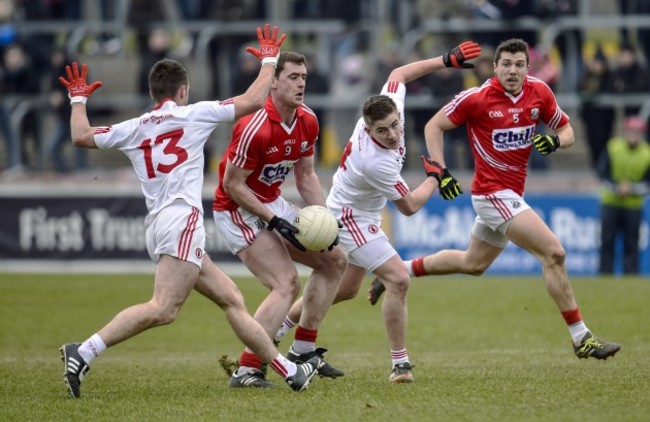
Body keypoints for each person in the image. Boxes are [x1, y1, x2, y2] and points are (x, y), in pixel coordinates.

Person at [58, 24, 321, 398]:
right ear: (183, 91)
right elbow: (251, 100)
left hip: (159, 223)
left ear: (153, 94)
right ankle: (83, 351)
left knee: (232, 300)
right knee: (164, 308)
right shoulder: (193, 114)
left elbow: (80, 136)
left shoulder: (133, 127)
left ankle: (289, 370)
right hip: (182, 219)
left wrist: (78, 100)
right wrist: (268, 60)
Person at [368, 38, 621, 361]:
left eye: (519, 65)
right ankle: (581, 337)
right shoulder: (477, 98)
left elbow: (568, 131)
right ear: (496, 66)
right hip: (491, 194)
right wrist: (440, 170)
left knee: (472, 264)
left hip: (512, 194)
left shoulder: (540, 92)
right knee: (554, 252)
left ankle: (395, 271)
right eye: (507, 64)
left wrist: (556, 141)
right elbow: (434, 126)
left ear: (527, 68)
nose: (512, 70)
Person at [273, 41, 482, 383]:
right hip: (350, 218)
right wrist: (436, 177)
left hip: (359, 211)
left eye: (394, 126)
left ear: (398, 116)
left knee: (343, 290)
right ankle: (400, 364)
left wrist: (446, 60)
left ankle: (280, 333)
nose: (391, 135)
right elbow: (411, 206)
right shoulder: (376, 161)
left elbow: (398, 73)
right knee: (398, 278)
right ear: (368, 130)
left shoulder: (388, 106)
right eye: (381, 131)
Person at [212, 51, 348, 388]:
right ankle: (247, 369)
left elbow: (306, 176)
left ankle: (303, 350)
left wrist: (324, 218)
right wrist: (275, 221)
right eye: (293, 77)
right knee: (286, 283)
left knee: (334, 260)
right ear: (273, 82)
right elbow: (232, 185)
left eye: (304, 77)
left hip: (270, 202)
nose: (301, 83)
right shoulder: (253, 126)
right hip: (236, 210)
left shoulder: (309, 120)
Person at [597, 116, 650, 275]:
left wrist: (631, 189)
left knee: (632, 243)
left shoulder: (647, 154)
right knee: (607, 241)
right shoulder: (613, 147)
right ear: (625, 132)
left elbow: (647, 183)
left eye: (637, 132)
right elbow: (602, 173)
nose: (634, 135)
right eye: (631, 131)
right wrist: (617, 187)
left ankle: (631, 275)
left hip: (633, 205)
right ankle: (605, 275)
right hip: (611, 202)